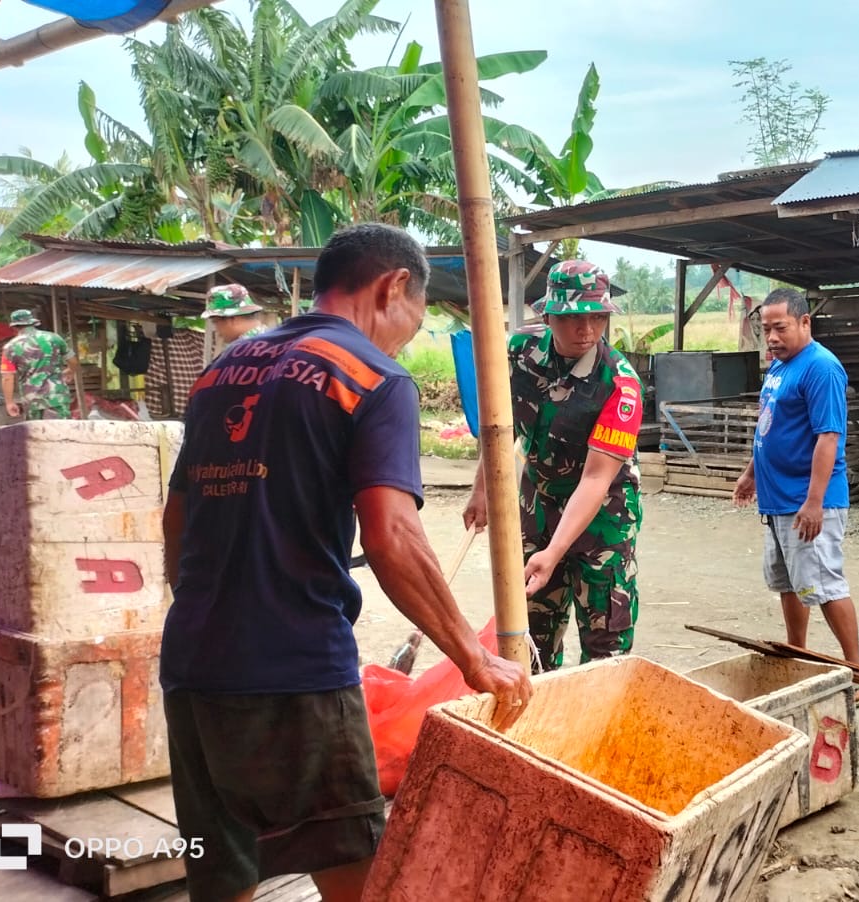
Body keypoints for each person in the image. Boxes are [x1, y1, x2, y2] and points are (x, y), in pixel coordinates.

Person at [160, 223, 531, 902]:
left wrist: (210, 609)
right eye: (415, 318)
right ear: (394, 286)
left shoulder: (221, 371)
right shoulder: (373, 377)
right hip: (295, 670)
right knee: (358, 875)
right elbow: (392, 536)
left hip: (191, 665)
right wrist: (474, 659)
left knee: (222, 873)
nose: (406, 339)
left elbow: (176, 520)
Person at [465, 260, 644, 672]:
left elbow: (596, 478)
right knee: (530, 632)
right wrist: (482, 490)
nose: (587, 329)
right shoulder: (518, 352)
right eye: (573, 318)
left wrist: (555, 552)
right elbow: (500, 425)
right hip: (539, 502)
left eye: (597, 317)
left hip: (604, 515)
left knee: (605, 640)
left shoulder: (620, 385)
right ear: (547, 316)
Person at [733, 288, 859, 706]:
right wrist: (751, 474)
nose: (772, 337)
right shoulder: (779, 367)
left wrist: (814, 502)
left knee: (824, 585)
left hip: (808, 501)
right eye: (766, 329)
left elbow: (828, 437)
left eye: (780, 328)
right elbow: (770, 426)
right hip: (778, 499)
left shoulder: (821, 368)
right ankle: (798, 655)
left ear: (805, 322)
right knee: (790, 583)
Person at [0, 308, 77, 420]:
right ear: (33, 323)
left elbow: (7, 378)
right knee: (62, 429)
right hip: (57, 395)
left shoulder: (10, 347)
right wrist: (70, 370)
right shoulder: (54, 338)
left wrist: (9, 402)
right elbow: (73, 361)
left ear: (14, 327)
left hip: (32, 399)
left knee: (36, 430)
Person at [204, 283, 270, 344]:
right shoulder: (269, 337)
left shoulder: (244, 347)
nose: (217, 331)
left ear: (232, 319)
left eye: (215, 322)